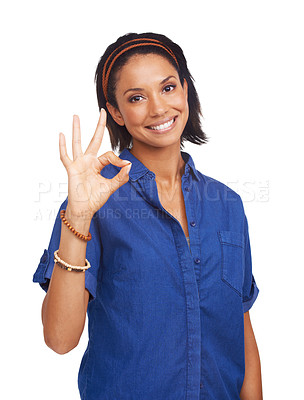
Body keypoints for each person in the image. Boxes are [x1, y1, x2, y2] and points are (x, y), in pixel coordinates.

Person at [33, 32, 263, 399]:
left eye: (168, 88)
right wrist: (78, 217)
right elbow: (60, 339)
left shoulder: (227, 204)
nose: (158, 108)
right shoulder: (94, 200)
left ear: (185, 90)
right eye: (137, 97)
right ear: (116, 113)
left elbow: (241, 325)